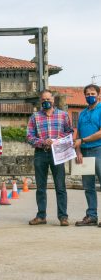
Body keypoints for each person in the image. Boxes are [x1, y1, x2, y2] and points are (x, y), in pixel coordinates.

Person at [27, 90, 73, 226]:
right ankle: (41, 216)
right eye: (43, 99)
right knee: (41, 187)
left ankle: (63, 217)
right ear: (40, 101)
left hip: (58, 153)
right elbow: (29, 137)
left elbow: (69, 131)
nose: (46, 101)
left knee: (60, 187)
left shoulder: (63, 115)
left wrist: (58, 139)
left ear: (53, 100)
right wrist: (42, 142)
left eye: (49, 98)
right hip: (41, 153)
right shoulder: (35, 117)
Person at [74, 84, 101, 226]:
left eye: (92, 94)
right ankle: (91, 216)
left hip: (99, 150)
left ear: (98, 94)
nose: (90, 96)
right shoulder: (82, 113)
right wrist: (78, 151)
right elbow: (78, 134)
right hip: (84, 152)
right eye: (87, 94)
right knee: (88, 186)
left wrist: (83, 140)